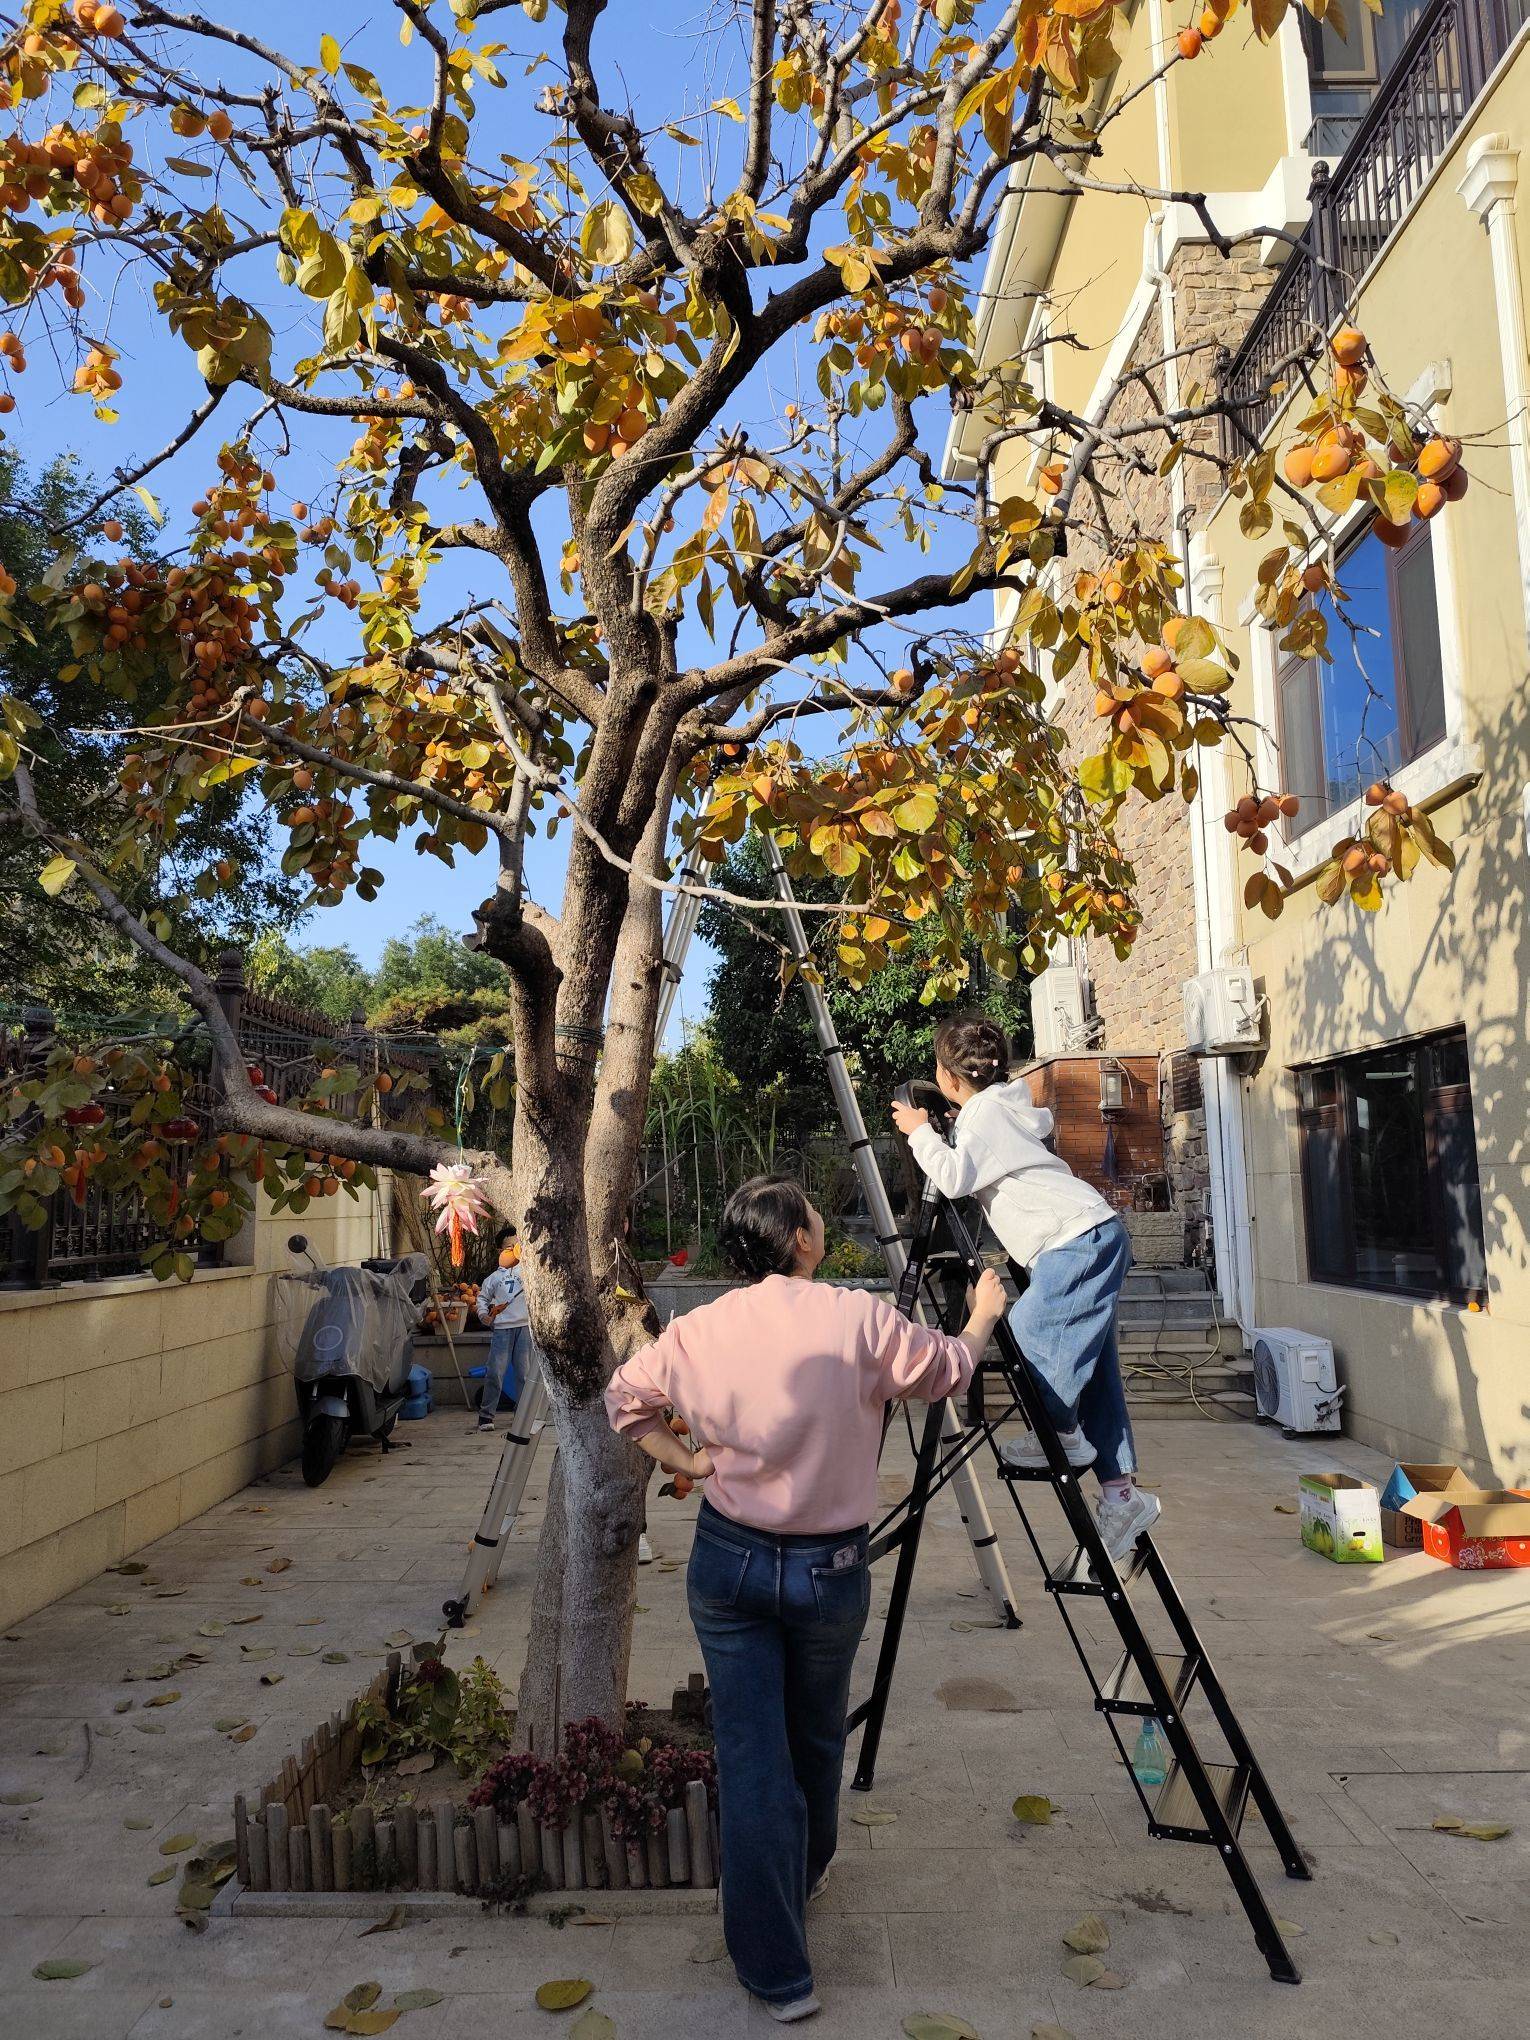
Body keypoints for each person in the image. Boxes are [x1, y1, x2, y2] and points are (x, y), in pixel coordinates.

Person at [605, 1174, 1006, 2024]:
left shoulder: (698, 1329)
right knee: (816, 1738)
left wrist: (687, 1464)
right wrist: (981, 1316)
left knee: (752, 1760)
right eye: (814, 1216)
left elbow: (624, 1400)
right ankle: (805, 1874)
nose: (822, 1224)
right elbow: (946, 1372)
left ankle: (777, 1972)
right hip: (828, 1569)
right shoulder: (855, 1317)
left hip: (729, 1565)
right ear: (798, 1238)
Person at [891, 1012, 1159, 1562]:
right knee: (1097, 1375)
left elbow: (954, 1179)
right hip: (1090, 1235)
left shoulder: (985, 1114)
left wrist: (919, 1131)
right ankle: (1120, 1493)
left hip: (1075, 1242)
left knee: (1030, 1328)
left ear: (947, 1077)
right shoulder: (1001, 1109)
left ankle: (1057, 1433)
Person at [472, 1225, 530, 1435]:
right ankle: (486, 1415)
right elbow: (482, 1299)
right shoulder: (493, 1279)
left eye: (517, 1246)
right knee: (496, 1372)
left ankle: (523, 1416)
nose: (514, 1250)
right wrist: (483, 1315)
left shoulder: (528, 1271)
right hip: (503, 1330)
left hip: (524, 1328)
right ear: (500, 1252)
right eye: (509, 1247)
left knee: (524, 1374)